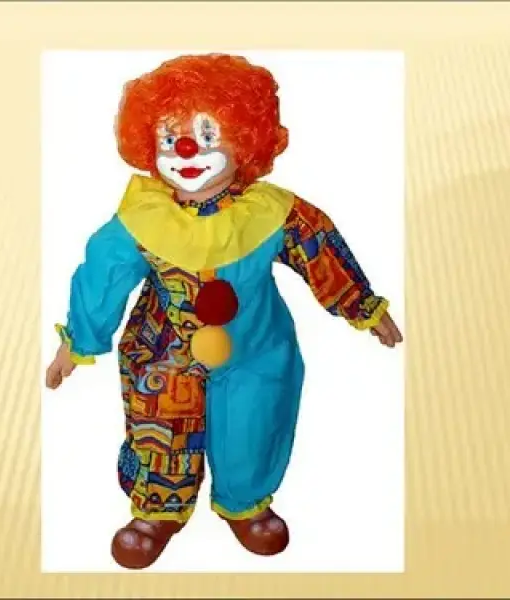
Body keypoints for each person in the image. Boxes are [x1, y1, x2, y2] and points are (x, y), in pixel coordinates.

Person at [45, 53, 403, 570]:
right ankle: (158, 510)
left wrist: (362, 307)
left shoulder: (272, 211)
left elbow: (320, 247)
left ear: (245, 139)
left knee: (254, 419)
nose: (187, 150)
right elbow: (102, 274)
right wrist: (77, 342)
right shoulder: (142, 218)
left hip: (254, 344)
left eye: (207, 135)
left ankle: (246, 502)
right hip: (163, 350)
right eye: (170, 137)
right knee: (160, 421)